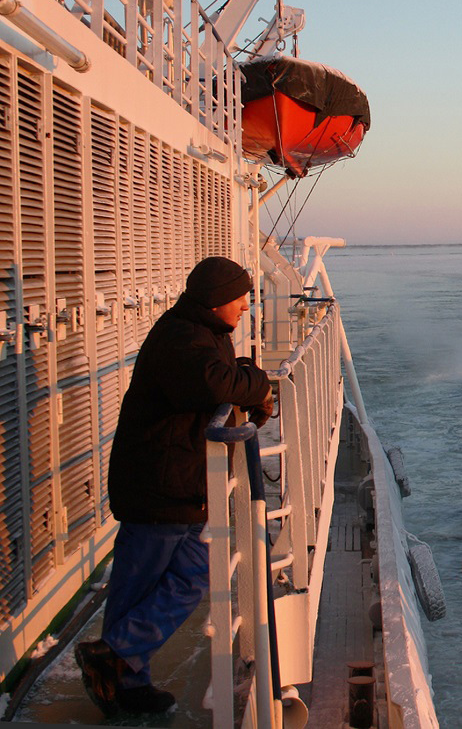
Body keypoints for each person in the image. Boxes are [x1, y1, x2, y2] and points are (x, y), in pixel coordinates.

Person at [75, 256, 274, 717]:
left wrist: (248, 383)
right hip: (158, 486)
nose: (246, 305)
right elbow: (211, 381)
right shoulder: (182, 337)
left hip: (179, 483)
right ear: (217, 298)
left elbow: (221, 376)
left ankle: (118, 657)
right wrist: (257, 383)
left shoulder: (201, 333)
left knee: (194, 571)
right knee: (138, 587)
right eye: (240, 296)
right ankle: (125, 679)